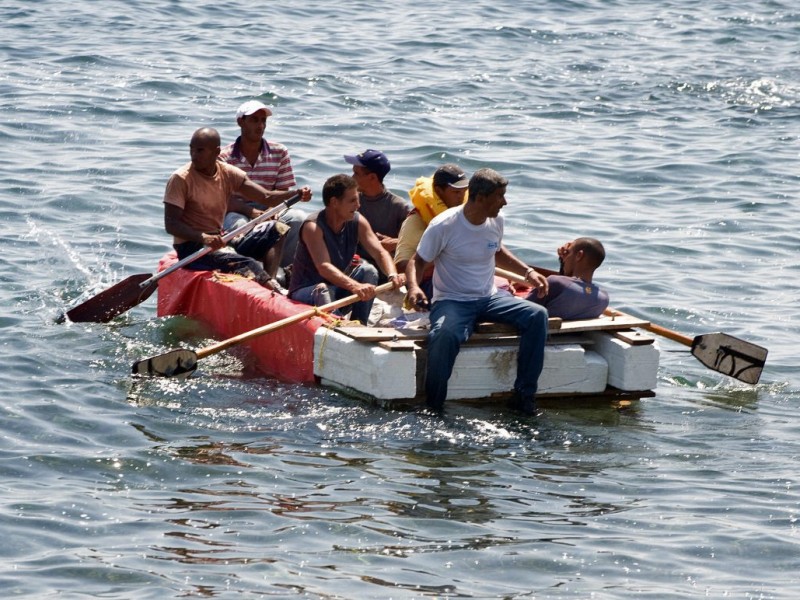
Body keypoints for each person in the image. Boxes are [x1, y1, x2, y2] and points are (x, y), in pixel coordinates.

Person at [405, 168, 550, 415]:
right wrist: (414, 287)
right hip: (452, 301)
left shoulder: (496, 220)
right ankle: (433, 406)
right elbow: (416, 262)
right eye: (500, 196)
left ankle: (524, 396)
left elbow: (497, 251)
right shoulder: (444, 225)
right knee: (443, 336)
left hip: (489, 298)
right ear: (480, 197)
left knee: (538, 316)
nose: (505, 202)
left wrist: (528, 272)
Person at [163, 127, 311, 292]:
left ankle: (270, 285)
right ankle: (272, 289)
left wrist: (296, 193)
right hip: (192, 248)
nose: (194, 155)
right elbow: (172, 224)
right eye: (192, 149)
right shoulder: (180, 179)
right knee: (249, 264)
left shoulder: (227, 172)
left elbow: (266, 196)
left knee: (279, 228)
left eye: (200, 151)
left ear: (216, 152)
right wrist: (204, 237)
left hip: (221, 240)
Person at [288, 174, 404, 324]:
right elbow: (324, 267)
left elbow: (379, 252)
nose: (358, 205)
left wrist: (392, 274)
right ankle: (339, 326)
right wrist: (355, 286)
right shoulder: (313, 227)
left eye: (358, 199)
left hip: (335, 288)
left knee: (369, 272)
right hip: (306, 292)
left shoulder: (357, 220)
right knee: (323, 289)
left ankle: (360, 323)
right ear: (334, 202)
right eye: (352, 201)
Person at [220, 100, 311, 275]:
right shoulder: (224, 157)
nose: (260, 125)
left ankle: (282, 273)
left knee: (298, 218)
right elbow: (223, 199)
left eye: (263, 121)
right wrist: (251, 212)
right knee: (238, 224)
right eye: (254, 120)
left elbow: (283, 192)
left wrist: (271, 211)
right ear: (241, 122)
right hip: (238, 210)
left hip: (271, 207)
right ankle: (246, 271)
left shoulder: (279, 151)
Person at [394, 164, 469, 298]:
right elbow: (401, 266)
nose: (461, 198)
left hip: (465, 277)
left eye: (464, 192)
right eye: (456, 192)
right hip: (432, 283)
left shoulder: (467, 216)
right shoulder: (415, 222)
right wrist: (441, 256)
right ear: (439, 191)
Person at [343, 149, 409, 267]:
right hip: (354, 267)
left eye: (356, 173)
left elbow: (413, 243)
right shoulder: (348, 202)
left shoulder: (398, 206)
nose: (351, 177)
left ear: (372, 177)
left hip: (386, 268)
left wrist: (394, 243)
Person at [526, 237, 609, 320]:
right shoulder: (603, 299)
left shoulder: (555, 283)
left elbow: (522, 309)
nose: (565, 258)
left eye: (568, 252)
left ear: (579, 255)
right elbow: (569, 283)